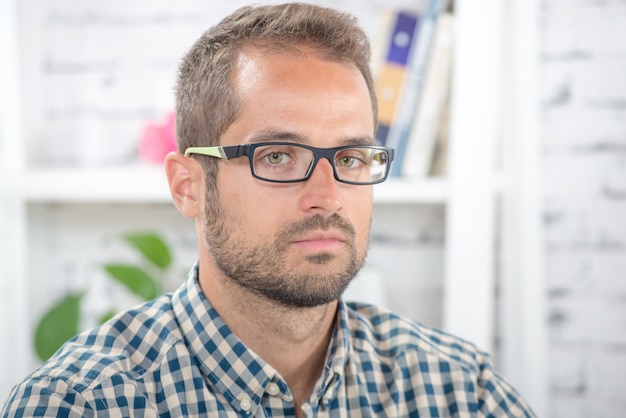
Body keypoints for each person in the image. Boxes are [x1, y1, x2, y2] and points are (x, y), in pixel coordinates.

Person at [2, 3, 535, 417]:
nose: (327, 195)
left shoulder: (461, 392)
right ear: (188, 185)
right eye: (278, 156)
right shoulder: (79, 404)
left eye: (350, 156)